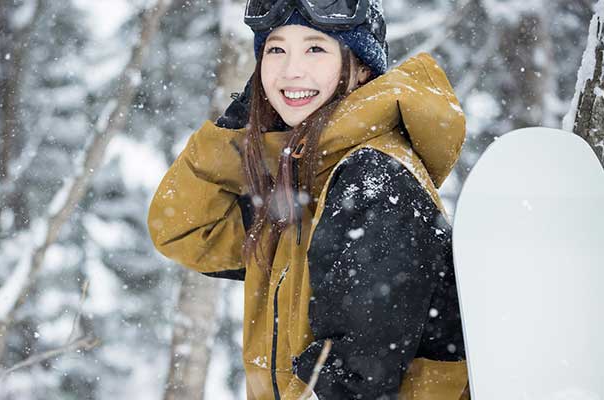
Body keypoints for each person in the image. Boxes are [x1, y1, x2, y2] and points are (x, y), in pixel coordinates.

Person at [148, 1, 469, 399]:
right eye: (275, 50)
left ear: (362, 67)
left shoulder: (374, 177)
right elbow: (186, 230)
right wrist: (244, 119)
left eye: (315, 49)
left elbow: (358, 381)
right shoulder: (306, 180)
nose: (290, 70)